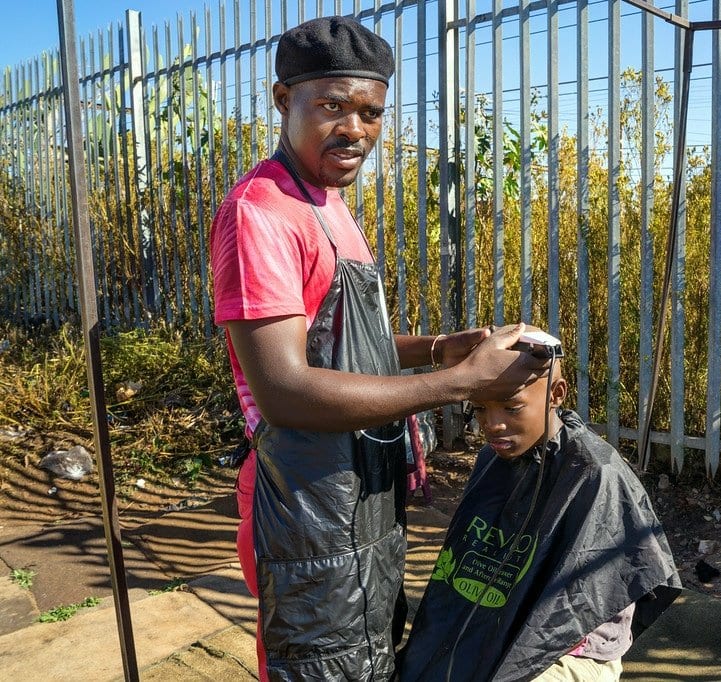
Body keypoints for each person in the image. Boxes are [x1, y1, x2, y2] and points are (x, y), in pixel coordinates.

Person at [209, 16, 545, 681]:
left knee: (367, 652)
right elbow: (285, 388)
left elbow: (333, 345)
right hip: (303, 499)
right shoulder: (259, 214)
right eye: (331, 105)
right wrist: (463, 383)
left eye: (370, 111)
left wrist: (438, 349)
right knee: (318, 665)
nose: (354, 128)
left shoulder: (326, 201)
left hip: (358, 486)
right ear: (284, 101)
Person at [398, 332, 682, 681]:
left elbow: (582, 601)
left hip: (572, 653)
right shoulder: (492, 458)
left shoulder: (595, 474)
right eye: (480, 409)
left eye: (511, 407)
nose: (492, 424)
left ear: (555, 394)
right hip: (497, 626)